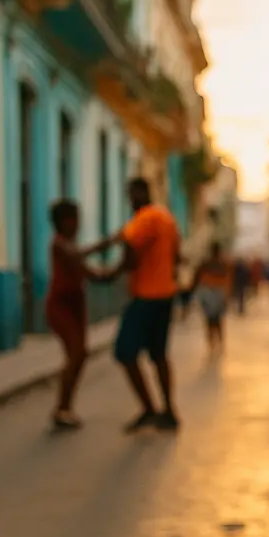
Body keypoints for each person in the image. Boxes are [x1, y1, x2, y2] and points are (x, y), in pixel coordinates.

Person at [111, 177, 181, 432]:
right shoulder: (168, 219)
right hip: (165, 295)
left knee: (124, 351)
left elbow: (128, 247)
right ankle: (169, 411)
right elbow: (177, 256)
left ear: (139, 193)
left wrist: (110, 273)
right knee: (159, 354)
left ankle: (150, 408)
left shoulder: (146, 217)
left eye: (131, 195)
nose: (130, 201)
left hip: (146, 296)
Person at [44, 200, 114, 430]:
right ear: (60, 223)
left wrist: (113, 272)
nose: (76, 224)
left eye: (76, 218)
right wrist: (108, 243)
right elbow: (76, 258)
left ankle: (66, 407)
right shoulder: (60, 245)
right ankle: (61, 408)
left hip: (77, 305)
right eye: (71, 219)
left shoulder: (71, 246)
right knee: (75, 354)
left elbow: (90, 273)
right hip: (61, 306)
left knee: (80, 355)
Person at [192, 241, 232, 352]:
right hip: (218, 292)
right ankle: (218, 342)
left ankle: (212, 342)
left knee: (210, 320)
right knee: (217, 320)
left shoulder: (207, 262)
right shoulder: (223, 263)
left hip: (209, 293)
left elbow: (198, 277)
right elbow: (228, 279)